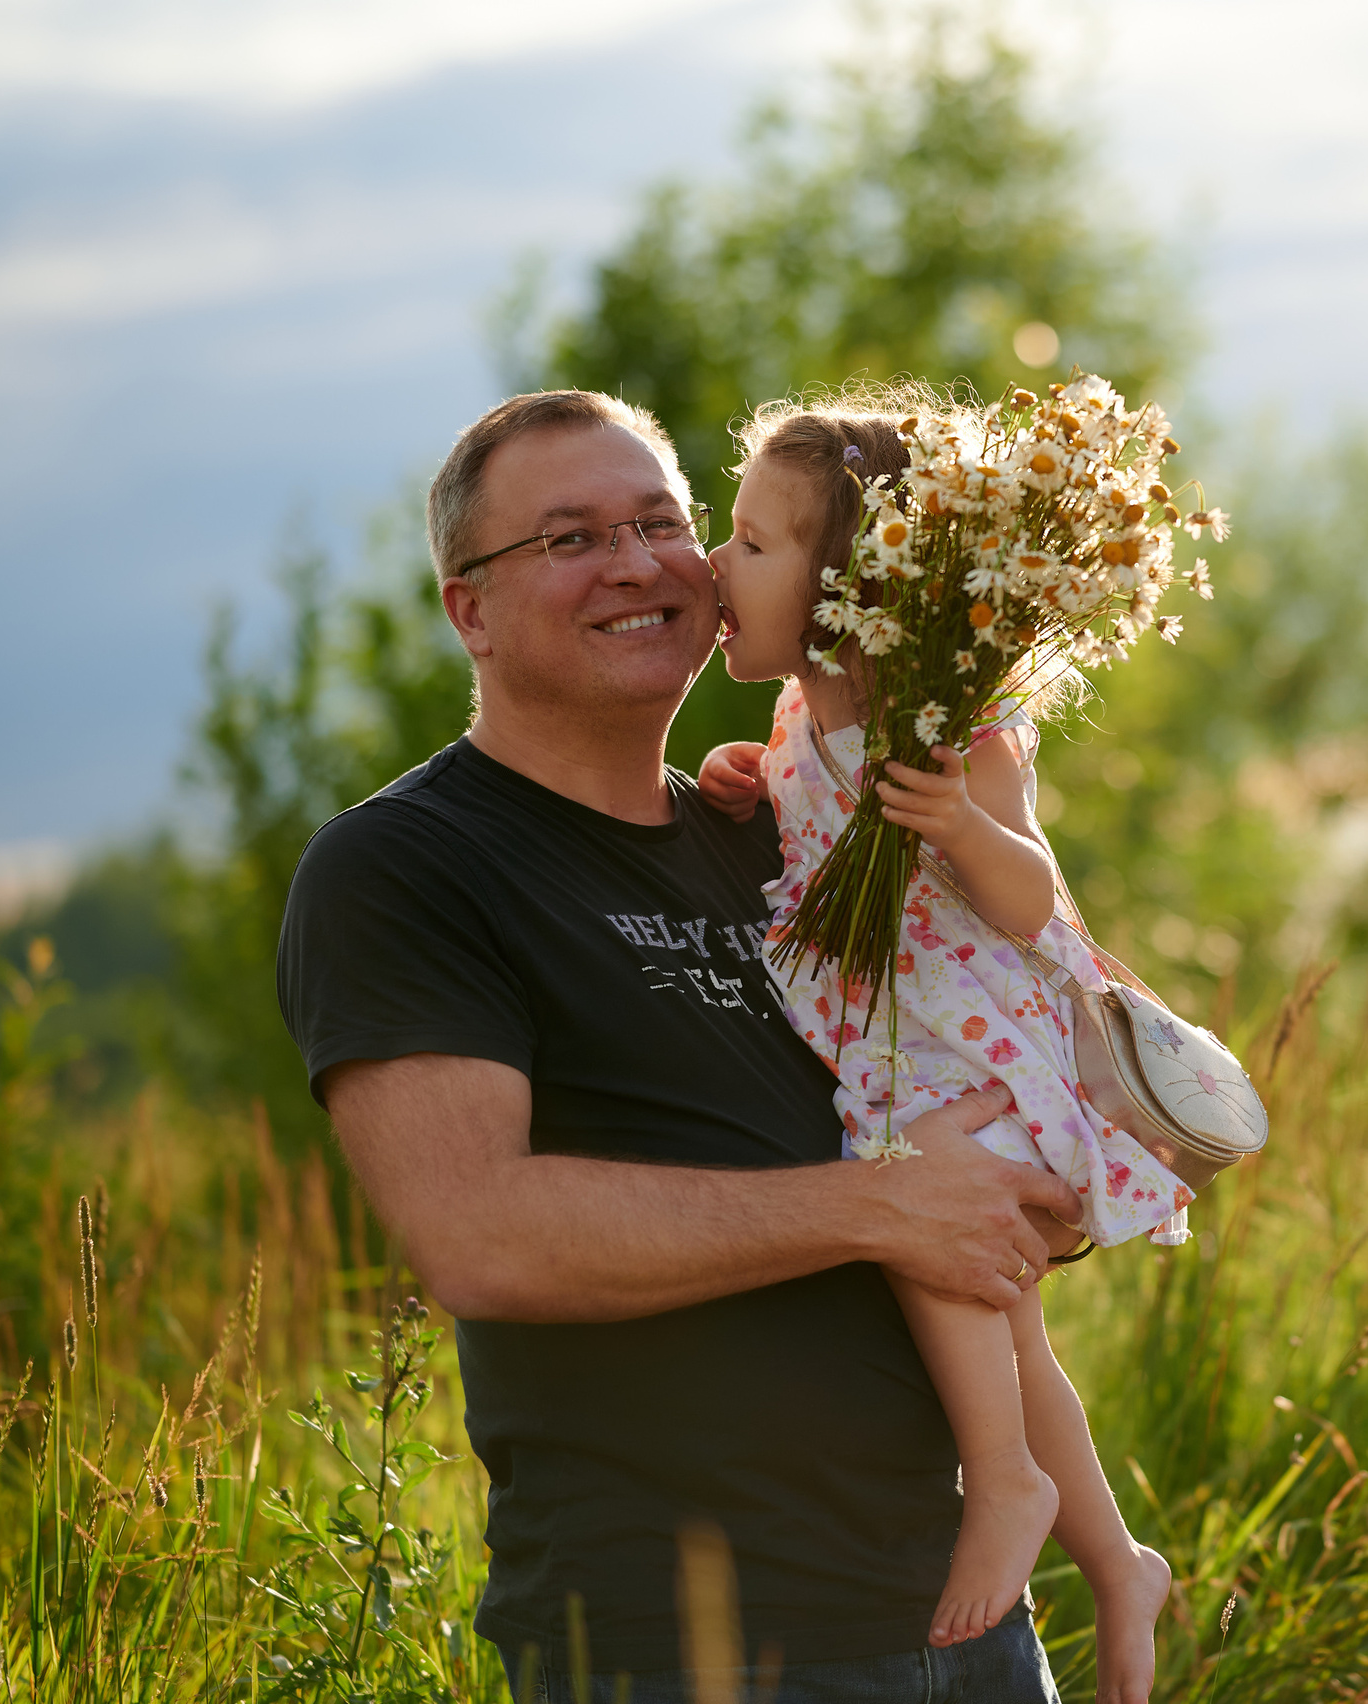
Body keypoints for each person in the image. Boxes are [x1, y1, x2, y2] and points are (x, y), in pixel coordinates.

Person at [275, 388, 1090, 1702]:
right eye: (568, 538)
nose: (638, 562)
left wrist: (1039, 1188)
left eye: (660, 522)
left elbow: (988, 1073)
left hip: (967, 1624)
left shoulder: (787, 828)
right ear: (466, 609)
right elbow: (482, 1235)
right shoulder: (407, 866)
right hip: (692, 1650)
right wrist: (882, 1209)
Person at [695, 394, 1180, 1704]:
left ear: (848, 578)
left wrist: (965, 823)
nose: (711, 565)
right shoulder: (805, 718)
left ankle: (1008, 1484)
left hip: (968, 1058)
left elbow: (1034, 903)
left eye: (748, 543)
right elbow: (815, 838)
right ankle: (1117, 1560)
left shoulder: (948, 718)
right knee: (1016, 1343)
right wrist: (758, 782)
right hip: (894, 1049)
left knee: (929, 1234)